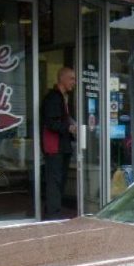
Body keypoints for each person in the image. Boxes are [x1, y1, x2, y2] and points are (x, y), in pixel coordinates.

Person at [41, 67, 76, 218]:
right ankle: (52, 216)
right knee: (55, 183)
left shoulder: (63, 98)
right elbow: (52, 123)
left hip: (62, 147)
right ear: (62, 79)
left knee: (59, 182)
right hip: (55, 148)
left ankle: (53, 212)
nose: (74, 83)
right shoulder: (53, 98)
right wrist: (69, 128)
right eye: (71, 79)